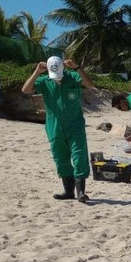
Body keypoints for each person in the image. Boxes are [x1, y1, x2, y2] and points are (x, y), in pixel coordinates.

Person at [21, 56, 95, 202]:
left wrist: (77, 68)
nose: (57, 79)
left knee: (79, 156)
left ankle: (81, 192)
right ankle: (68, 191)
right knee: (60, 158)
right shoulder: (44, 81)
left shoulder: (73, 77)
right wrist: (37, 71)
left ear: (64, 68)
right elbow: (25, 90)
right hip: (54, 126)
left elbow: (90, 85)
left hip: (75, 126)